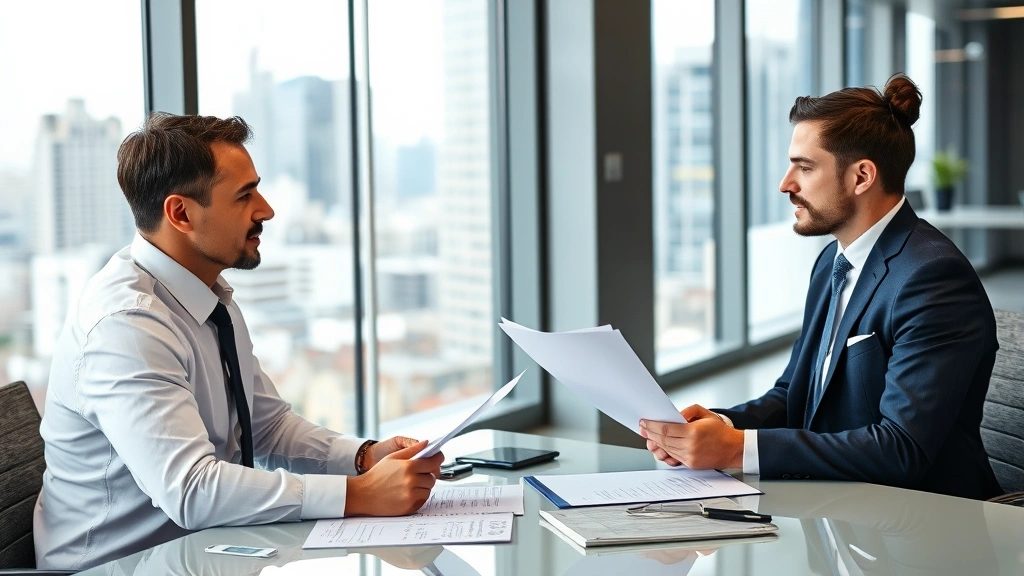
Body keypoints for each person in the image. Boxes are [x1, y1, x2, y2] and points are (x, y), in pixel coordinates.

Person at [33, 113, 445, 571]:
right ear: (181, 213)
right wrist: (360, 495)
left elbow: (267, 428)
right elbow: (192, 490)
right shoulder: (126, 326)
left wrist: (364, 457)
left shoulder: (208, 294)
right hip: (117, 567)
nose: (265, 209)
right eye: (244, 196)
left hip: (205, 553)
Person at [640, 74, 1002, 500]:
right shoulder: (833, 260)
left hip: (924, 526)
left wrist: (738, 449)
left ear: (862, 176)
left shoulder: (933, 278)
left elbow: (902, 449)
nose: (785, 184)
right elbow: (794, 394)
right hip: (839, 512)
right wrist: (721, 426)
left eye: (805, 167)